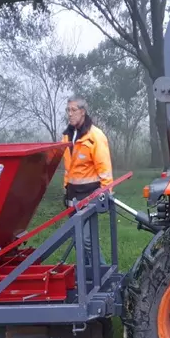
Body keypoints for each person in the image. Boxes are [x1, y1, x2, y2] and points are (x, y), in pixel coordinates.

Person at [61, 96, 113, 266]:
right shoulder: (66, 136)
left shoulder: (95, 136)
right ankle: (88, 277)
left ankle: (102, 272)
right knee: (77, 240)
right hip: (72, 196)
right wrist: (65, 188)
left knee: (86, 240)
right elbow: (68, 168)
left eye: (73, 110)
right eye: (68, 110)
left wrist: (105, 193)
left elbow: (104, 168)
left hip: (90, 197)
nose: (70, 114)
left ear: (82, 112)